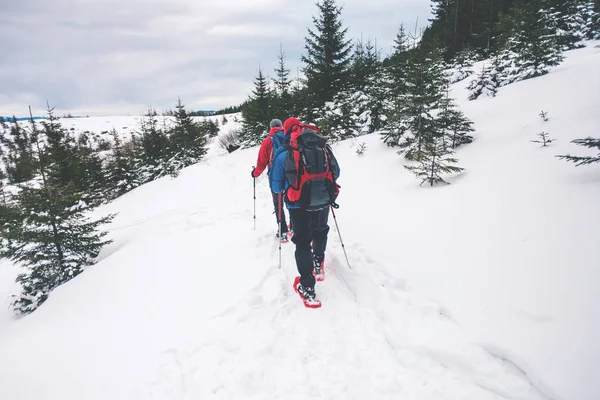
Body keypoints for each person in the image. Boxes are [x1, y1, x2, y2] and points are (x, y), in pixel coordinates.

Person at [270, 117, 340, 306]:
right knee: (320, 230)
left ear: (286, 131)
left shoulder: (284, 153)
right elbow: (337, 172)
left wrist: (292, 182)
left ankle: (307, 288)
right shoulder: (322, 148)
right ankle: (319, 265)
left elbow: (276, 186)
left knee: (302, 243)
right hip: (323, 200)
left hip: (297, 205)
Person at [251, 119, 291, 241]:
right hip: (291, 174)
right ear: (281, 126)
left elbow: (262, 162)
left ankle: (283, 231)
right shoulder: (289, 137)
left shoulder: (268, 141)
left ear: (271, 127)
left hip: (275, 177)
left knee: (278, 204)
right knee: (292, 200)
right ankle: (294, 226)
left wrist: (255, 173)